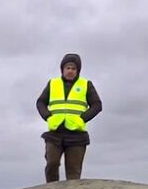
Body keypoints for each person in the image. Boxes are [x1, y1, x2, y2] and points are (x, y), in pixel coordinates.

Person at [36, 53, 102, 182]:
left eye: (73, 68)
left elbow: (97, 105)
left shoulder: (86, 84)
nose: (70, 71)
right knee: (52, 164)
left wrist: (82, 119)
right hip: (55, 132)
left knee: (73, 174)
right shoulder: (53, 83)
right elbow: (40, 102)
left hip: (77, 135)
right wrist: (48, 117)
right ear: (62, 69)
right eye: (68, 68)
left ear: (77, 71)